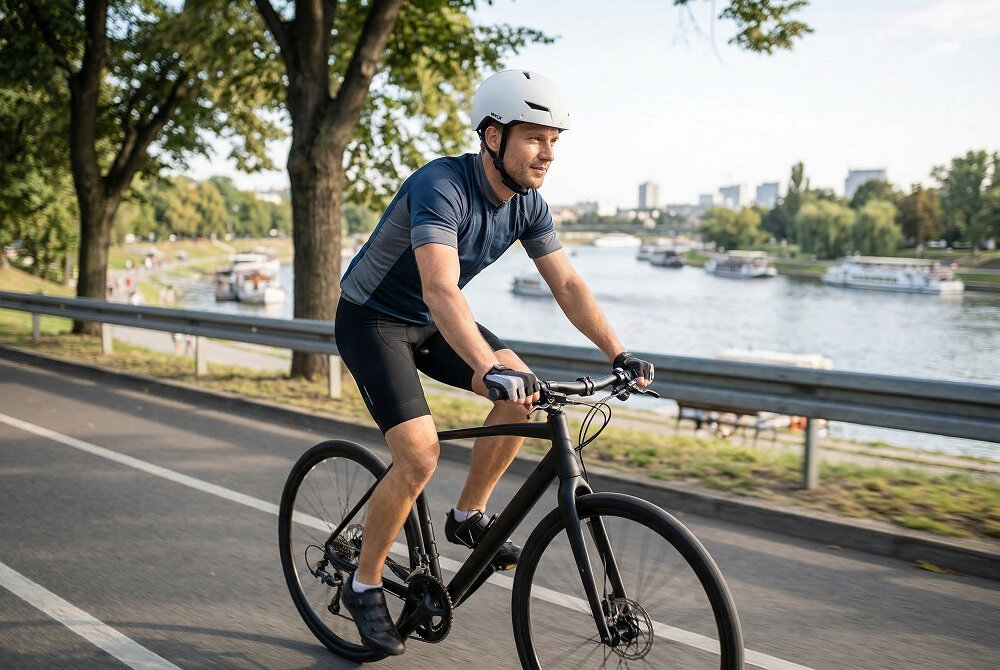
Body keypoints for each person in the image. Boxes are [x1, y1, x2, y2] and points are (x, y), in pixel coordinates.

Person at [334, 69, 654, 656]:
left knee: (524, 397)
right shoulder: (441, 186)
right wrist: (484, 365)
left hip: (431, 323)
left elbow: (567, 284)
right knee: (419, 455)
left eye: (554, 140)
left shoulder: (529, 204)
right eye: (535, 138)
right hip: (373, 319)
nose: (548, 153)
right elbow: (440, 289)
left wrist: (619, 351)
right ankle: (364, 583)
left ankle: (468, 515)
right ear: (492, 136)